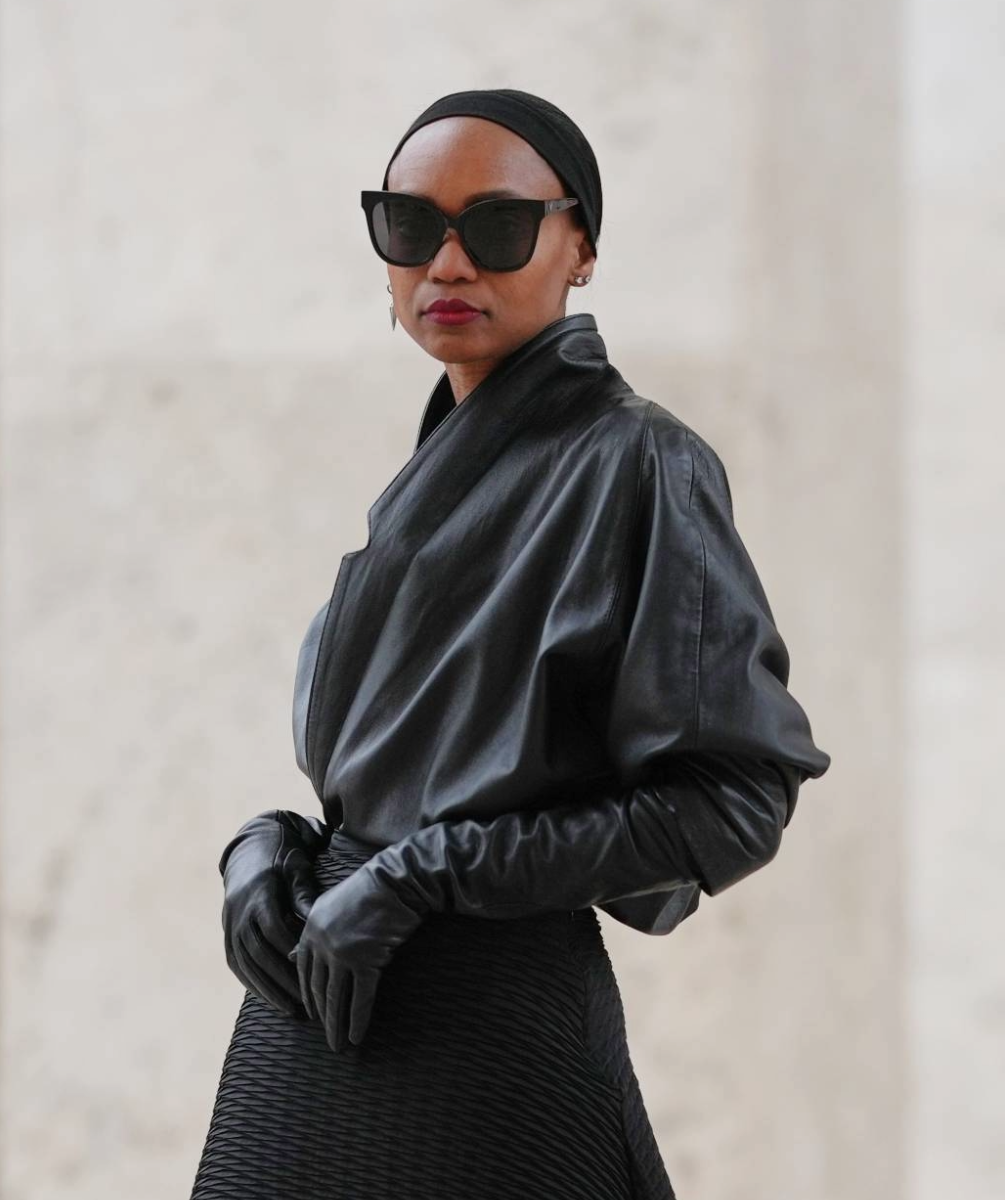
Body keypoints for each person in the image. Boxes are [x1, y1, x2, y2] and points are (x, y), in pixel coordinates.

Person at [189, 88, 831, 1200]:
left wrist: (425, 876)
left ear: (581, 247)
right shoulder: (442, 470)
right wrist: (268, 846)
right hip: (317, 1014)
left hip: (488, 1044)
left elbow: (733, 801)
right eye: (409, 225)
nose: (447, 263)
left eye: (496, 226)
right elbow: (393, 775)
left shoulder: (640, 462)